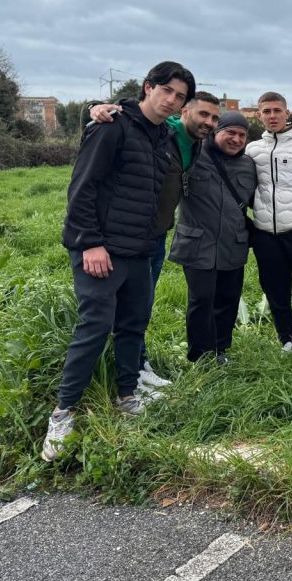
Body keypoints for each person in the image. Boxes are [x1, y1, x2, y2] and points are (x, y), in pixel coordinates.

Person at [43, 61, 195, 461]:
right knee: (94, 326)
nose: (172, 101)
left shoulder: (162, 135)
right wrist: (90, 243)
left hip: (140, 248)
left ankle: (127, 396)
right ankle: (63, 412)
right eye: (168, 92)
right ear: (149, 87)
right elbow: (83, 186)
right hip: (101, 250)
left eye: (180, 97)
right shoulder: (112, 126)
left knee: (133, 324)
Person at [89, 91, 221, 395]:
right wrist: (94, 109)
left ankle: (138, 366)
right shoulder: (164, 131)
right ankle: (126, 374)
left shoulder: (198, 142)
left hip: (156, 235)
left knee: (141, 307)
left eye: (214, 118)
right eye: (203, 114)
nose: (209, 122)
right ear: (185, 111)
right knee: (124, 308)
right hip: (126, 234)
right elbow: (127, 119)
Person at [168, 111, 257, 363]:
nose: (236, 139)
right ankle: (199, 355)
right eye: (230, 132)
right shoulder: (194, 155)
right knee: (202, 300)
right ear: (216, 132)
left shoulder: (249, 165)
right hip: (197, 244)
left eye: (242, 135)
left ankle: (220, 350)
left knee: (228, 300)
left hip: (233, 243)